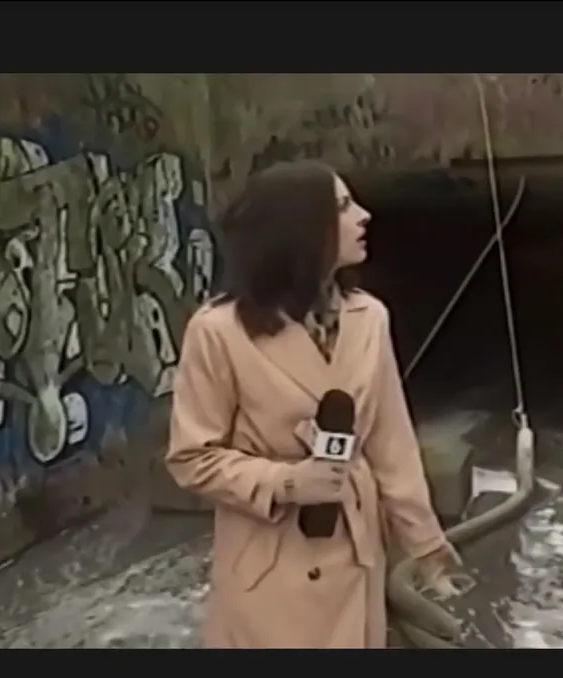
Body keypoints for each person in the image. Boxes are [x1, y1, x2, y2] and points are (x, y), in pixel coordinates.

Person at [166, 160, 463, 648]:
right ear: (302, 228)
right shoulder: (217, 331)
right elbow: (192, 458)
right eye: (343, 207)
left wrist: (426, 544)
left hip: (354, 557)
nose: (364, 215)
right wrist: (287, 482)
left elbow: (391, 443)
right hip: (269, 569)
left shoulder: (370, 318)